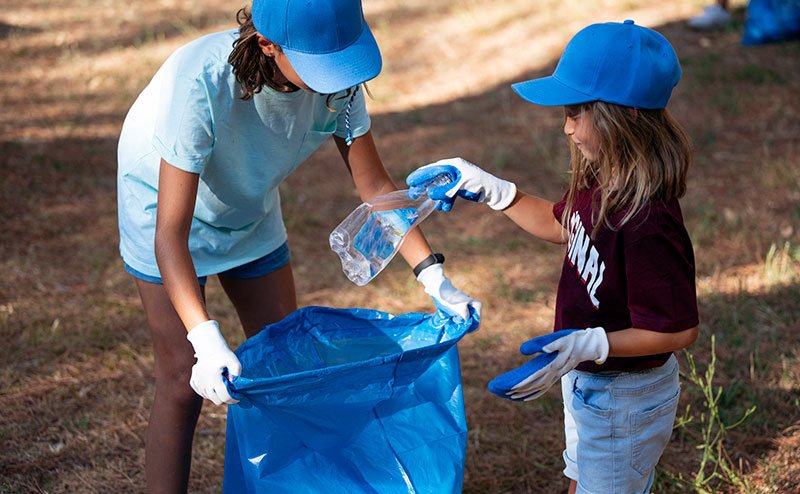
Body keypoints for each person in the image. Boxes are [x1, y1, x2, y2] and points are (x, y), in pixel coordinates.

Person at [116, 0, 479, 491]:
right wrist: (204, 338)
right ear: (268, 44)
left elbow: (374, 186)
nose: (336, 79)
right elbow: (170, 236)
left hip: (250, 206)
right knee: (183, 379)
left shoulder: (339, 84)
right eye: (323, 66)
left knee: (286, 366)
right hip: (162, 208)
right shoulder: (200, 80)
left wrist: (435, 278)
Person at [406, 20, 699, 494]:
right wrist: (494, 190)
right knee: (580, 479)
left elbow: (676, 328)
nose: (566, 126)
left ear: (619, 117)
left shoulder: (647, 219)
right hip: (586, 379)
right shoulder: (602, 179)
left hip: (625, 398)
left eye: (575, 112)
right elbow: (564, 226)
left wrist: (592, 344)